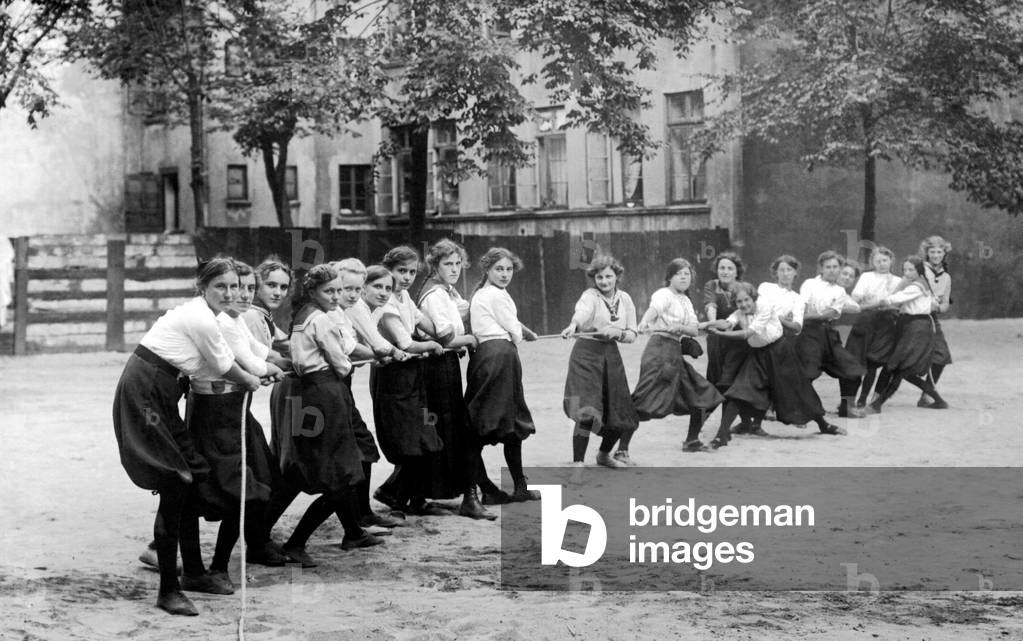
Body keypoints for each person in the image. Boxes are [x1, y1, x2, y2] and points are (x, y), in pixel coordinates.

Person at [113, 257, 261, 616]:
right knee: (175, 481)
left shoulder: (212, 317)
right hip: (145, 392)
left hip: (164, 392)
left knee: (194, 475)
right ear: (202, 287)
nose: (229, 293)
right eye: (219, 287)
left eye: (233, 287)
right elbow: (226, 366)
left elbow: (229, 361)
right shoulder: (200, 319)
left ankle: (193, 572)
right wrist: (253, 379)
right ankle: (168, 589)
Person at [265, 264, 384, 568]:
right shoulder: (321, 320)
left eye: (337, 291)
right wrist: (356, 361)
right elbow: (342, 363)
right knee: (340, 475)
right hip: (323, 392)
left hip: (308, 393)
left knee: (317, 469)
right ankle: (296, 542)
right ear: (313, 292)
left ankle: (349, 532)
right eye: (328, 291)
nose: (335, 296)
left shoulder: (303, 314)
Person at [186, 260, 288, 585]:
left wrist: (284, 363)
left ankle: (241, 551)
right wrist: (268, 369)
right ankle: (215, 567)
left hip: (233, 410)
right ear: (205, 289)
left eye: (245, 288)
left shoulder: (234, 318)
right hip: (216, 414)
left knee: (256, 480)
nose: (239, 295)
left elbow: (259, 352)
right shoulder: (217, 322)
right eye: (231, 287)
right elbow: (251, 364)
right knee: (234, 490)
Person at [707, 256, 845, 445]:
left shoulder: (797, 299)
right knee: (741, 389)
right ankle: (723, 434)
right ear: (775, 272)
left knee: (798, 389)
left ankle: (823, 424)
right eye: (781, 270)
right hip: (757, 351)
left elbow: (797, 327)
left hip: (780, 350)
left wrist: (776, 318)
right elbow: (744, 308)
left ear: (795, 273)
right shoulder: (764, 288)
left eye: (789, 270)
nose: (785, 273)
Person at [416, 240, 495, 520]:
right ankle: (469, 497)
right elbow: (447, 336)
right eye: (447, 264)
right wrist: (472, 339)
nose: (454, 269)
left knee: (449, 431)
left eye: (458, 264)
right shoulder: (434, 294)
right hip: (436, 368)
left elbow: (466, 310)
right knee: (453, 431)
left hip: (446, 365)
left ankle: (405, 493)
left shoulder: (447, 292)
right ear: (435, 265)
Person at [372, 246, 447, 516]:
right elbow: (404, 341)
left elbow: (424, 322)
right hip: (393, 375)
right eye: (401, 271)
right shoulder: (387, 301)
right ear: (388, 271)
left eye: (412, 272)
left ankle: (415, 499)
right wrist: (435, 346)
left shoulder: (404, 297)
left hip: (412, 373)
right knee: (408, 442)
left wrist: (443, 329)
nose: (406, 277)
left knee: (426, 437)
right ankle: (392, 494)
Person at [465, 247, 540, 502]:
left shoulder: (487, 294)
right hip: (498, 358)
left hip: (489, 356)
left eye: (509, 269)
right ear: (487, 269)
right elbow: (512, 329)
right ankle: (489, 489)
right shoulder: (495, 296)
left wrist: (524, 330)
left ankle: (515, 487)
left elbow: (510, 324)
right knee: (488, 423)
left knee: (505, 421)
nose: (505, 274)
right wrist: (521, 334)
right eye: (499, 269)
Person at [631, 258, 723, 452]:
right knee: (644, 403)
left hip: (674, 353)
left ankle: (692, 441)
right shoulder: (664, 294)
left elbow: (693, 329)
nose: (683, 277)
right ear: (670, 277)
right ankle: (620, 448)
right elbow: (654, 309)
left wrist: (681, 327)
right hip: (658, 352)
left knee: (705, 395)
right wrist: (644, 322)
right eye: (678, 273)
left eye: (687, 274)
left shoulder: (685, 300)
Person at [561, 254, 640, 468]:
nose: (604, 281)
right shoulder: (590, 295)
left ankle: (604, 455)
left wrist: (617, 333)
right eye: (599, 277)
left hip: (611, 356)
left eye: (608, 276)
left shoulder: (625, 299)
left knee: (619, 411)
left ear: (617, 276)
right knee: (586, 409)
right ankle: (578, 462)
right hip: (585, 354)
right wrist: (573, 325)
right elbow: (582, 313)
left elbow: (633, 333)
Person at [868, 255, 949, 412]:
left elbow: (897, 298)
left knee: (901, 368)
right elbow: (932, 303)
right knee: (904, 370)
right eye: (904, 269)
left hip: (917, 328)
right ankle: (939, 400)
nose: (906, 272)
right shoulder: (922, 284)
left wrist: (876, 303)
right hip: (913, 326)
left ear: (919, 270)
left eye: (911, 269)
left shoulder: (916, 286)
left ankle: (877, 405)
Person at [797, 251, 865, 418]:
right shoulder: (809, 283)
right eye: (828, 267)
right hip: (808, 333)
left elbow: (828, 314)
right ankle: (798, 409)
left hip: (828, 333)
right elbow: (802, 307)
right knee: (807, 373)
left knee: (853, 370)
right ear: (821, 268)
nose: (832, 270)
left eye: (836, 267)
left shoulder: (840, 291)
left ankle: (846, 407)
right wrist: (806, 317)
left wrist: (811, 315)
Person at [844, 247, 900, 408]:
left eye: (885, 260)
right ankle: (849, 401)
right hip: (866, 320)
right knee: (856, 360)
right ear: (872, 262)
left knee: (873, 362)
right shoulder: (867, 277)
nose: (882, 264)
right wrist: (875, 302)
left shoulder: (897, 281)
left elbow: (897, 303)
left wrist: (885, 303)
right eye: (878, 261)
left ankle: (863, 398)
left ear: (891, 261)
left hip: (886, 324)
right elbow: (856, 299)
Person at [702, 253, 756, 412]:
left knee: (737, 380)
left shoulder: (746, 288)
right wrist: (714, 324)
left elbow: (754, 310)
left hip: (739, 341)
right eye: (722, 268)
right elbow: (711, 306)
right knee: (716, 379)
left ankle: (745, 422)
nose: (725, 272)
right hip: (717, 339)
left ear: (737, 271)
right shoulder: (711, 285)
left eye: (730, 268)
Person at [919, 235, 953, 407]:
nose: (936, 255)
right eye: (932, 251)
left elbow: (945, 302)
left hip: (932, 319)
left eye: (939, 251)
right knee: (903, 361)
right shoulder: (919, 270)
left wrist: (939, 307)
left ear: (944, 253)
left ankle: (926, 395)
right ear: (927, 253)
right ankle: (874, 398)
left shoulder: (946, 276)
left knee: (942, 356)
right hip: (914, 318)